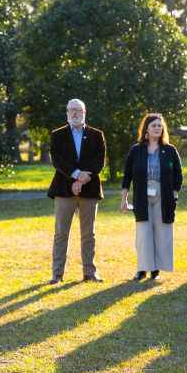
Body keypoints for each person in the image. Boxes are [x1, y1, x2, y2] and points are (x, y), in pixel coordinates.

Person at [47, 99, 107, 284]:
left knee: (89, 234)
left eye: (78, 110)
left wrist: (81, 180)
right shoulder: (57, 135)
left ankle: (90, 272)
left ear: (84, 112)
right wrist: (76, 175)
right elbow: (57, 160)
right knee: (61, 233)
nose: (75, 113)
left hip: (90, 190)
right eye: (71, 110)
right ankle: (57, 273)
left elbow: (99, 161)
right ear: (67, 113)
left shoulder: (97, 135)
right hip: (64, 190)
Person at [121, 114, 184, 281]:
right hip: (142, 194)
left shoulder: (169, 150)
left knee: (162, 232)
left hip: (164, 195)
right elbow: (127, 176)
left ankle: (156, 270)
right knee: (144, 233)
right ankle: (142, 269)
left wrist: (174, 196)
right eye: (154, 125)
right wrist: (124, 199)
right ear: (146, 129)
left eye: (159, 125)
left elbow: (178, 176)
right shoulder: (136, 150)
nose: (157, 128)